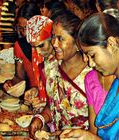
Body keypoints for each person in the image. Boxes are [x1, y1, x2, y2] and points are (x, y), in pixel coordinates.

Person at [28, 10, 91, 139]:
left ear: (77, 42)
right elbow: (53, 106)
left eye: (60, 39)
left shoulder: (92, 74)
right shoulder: (51, 67)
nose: (54, 44)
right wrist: (41, 118)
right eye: (53, 37)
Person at [60, 13, 119, 140]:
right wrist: (87, 137)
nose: (90, 63)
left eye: (92, 55)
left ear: (112, 44)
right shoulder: (116, 86)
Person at [3, 2, 40, 92]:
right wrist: (9, 83)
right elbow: (20, 77)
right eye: (21, 28)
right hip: (33, 97)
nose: (24, 33)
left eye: (27, 28)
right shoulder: (19, 46)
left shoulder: (52, 44)